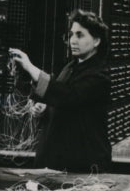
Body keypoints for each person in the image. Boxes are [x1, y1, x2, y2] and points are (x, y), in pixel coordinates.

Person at [8, 10, 112, 172]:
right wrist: (45, 108)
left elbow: (68, 96)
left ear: (96, 41)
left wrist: (30, 67)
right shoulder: (71, 67)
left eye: (80, 35)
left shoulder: (99, 75)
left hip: (83, 165)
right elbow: (61, 99)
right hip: (58, 161)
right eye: (71, 35)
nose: (73, 40)